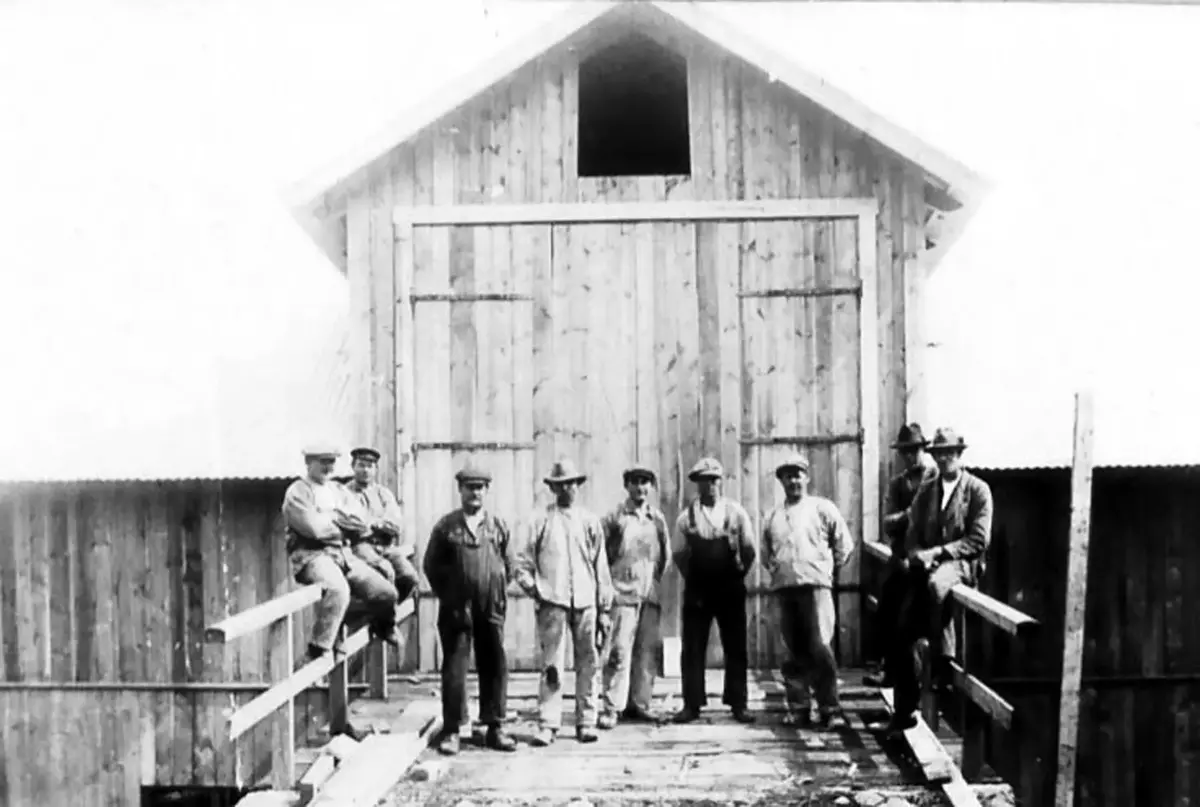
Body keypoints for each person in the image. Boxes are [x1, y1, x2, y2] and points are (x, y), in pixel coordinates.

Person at [873, 427, 994, 734]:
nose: (944, 459)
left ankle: (943, 660)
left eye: (949, 453)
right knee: (902, 632)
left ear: (959, 454)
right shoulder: (928, 490)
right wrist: (916, 554)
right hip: (927, 563)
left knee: (936, 585)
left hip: (961, 562)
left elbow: (978, 540)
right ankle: (904, 712)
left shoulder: (977, 490)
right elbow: (912, 531)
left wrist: (939, 552)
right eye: (939, 454)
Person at [516, 459, 615, 746]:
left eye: (571, 484)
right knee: (552, 665)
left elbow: (601, 567)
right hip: (553, 602)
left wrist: (604, 608)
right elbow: (522, 563)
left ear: (578, 486)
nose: (567, 489)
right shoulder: (541, 521)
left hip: (586, 602)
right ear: (553, 488)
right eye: (561, 485)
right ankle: (548, 723)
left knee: (589, 663)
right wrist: (536, 590)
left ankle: (586, 721)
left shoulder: (589, 521)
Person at [423, 463, 517, 755]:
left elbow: (510, 565)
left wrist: (494, 591)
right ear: (460, 490)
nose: (474, 493)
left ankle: (495, 726)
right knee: (454, 667)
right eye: (469, 487)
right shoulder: (446, 527)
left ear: (486, 491)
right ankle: (453, 729)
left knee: (494, 664)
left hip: (490, 608)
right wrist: (450, 594)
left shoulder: (497, 526)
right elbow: (430, 565)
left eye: (479, 488)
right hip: (456, 609)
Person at [761, 453, 856, 729]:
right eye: (787, 476)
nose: (793, 481)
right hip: (786, 589)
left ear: (807, 477)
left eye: (798, 475)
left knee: (820, 648)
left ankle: (830, 709)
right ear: (781, 481)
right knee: (792, 651)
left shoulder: (822, 508)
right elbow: (766, 553)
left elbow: (844, 546)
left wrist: (823, 570)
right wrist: (781, 570)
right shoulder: (773, 516)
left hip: (815, 588)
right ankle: (799, 707)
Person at [281, 444, 400, 663]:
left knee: (386, 593)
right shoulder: (298, 492)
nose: (328, 467)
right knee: (338, 590)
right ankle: (318, 649)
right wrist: (341, 522)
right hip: (312, 556)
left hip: (343, 554)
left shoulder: (338, 490)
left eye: (331, 462)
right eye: (322, 461)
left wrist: (334, 520)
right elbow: (314, 529)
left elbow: (361, 522)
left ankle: (363, 625)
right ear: (308, 463)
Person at [671, 457, 757, 725]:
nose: (710, 485)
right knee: (693, 646)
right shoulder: (687, 518)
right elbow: (679, 554)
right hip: (698, 589)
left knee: (736, 646)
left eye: (714, 479)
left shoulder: (736, 513)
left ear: (721, 482)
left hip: (730, 587)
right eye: (704, 480)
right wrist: (695, 577)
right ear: (697, 484)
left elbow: (749, 549)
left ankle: (738, 703)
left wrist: (737, 575)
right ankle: (691, 704)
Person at [864, 424, 938, 688]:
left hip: (928, 559)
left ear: (923, 450)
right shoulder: (898, 484)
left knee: (919, 621)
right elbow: (888, 523)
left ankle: (930, 678)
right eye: (905, 451)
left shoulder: (935, 480)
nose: (910, 456)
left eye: (914, 450)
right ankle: (887, 670)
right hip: (901, 557)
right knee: (887, 609)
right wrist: (910, 515)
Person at [597, 464, 670, 729]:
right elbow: (601, 556)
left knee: (646, 653)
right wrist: (610, 590)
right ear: (626, 485)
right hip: (622, 595)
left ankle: (640, 704)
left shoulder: (656, 519)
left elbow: (665, 556)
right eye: (635, 482)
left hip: (648, 595)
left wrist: (650, 582)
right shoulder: (615, 518)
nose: (640, 487)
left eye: (645, 482)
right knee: (618, 652)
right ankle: (612, 707)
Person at [342, 446, 421, 605]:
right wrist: (379, 524)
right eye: (361, 465)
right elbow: (352, 525)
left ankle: (387, 611)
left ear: (376, 469)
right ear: (353, 466)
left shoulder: (384, 494)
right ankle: (384, 614)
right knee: (385, 571)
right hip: (359, 547)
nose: (365, 470)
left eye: (369, 466)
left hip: (386, 547)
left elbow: (396, 526)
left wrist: (373, 523)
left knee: (410, 577)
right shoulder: (344, 493)